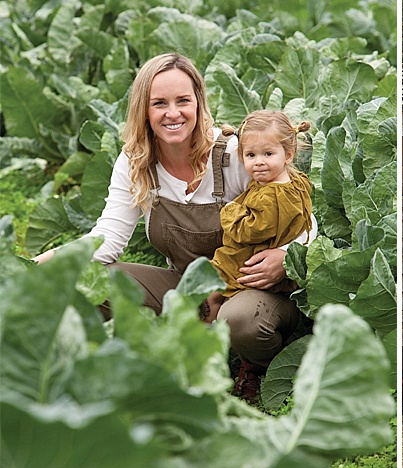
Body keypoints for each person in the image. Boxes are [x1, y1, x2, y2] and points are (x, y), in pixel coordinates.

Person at [33, 53, 316, 402]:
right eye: (159, 104)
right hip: (187, 285)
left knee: (241, 320)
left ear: (198, 102)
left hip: (251, 285)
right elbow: (106, 240)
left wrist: (285, 256)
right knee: (85, 281)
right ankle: (109, 363)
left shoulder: (234, 154)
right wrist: (39, 266)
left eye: (183, 100)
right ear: (144, 110)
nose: (173, 113)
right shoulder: (136, 161)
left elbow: (303, 217)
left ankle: (258, 369)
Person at [204, 110, 313, 324]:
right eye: (251, 155)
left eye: (268, 154)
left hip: (248, 258)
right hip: (257, 255)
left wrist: (229, 210)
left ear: (288, 154)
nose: (259, 162)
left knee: (209, 292)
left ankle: (206, 338)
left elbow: (250, 230)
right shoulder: (295, 182)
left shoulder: (270, 196)